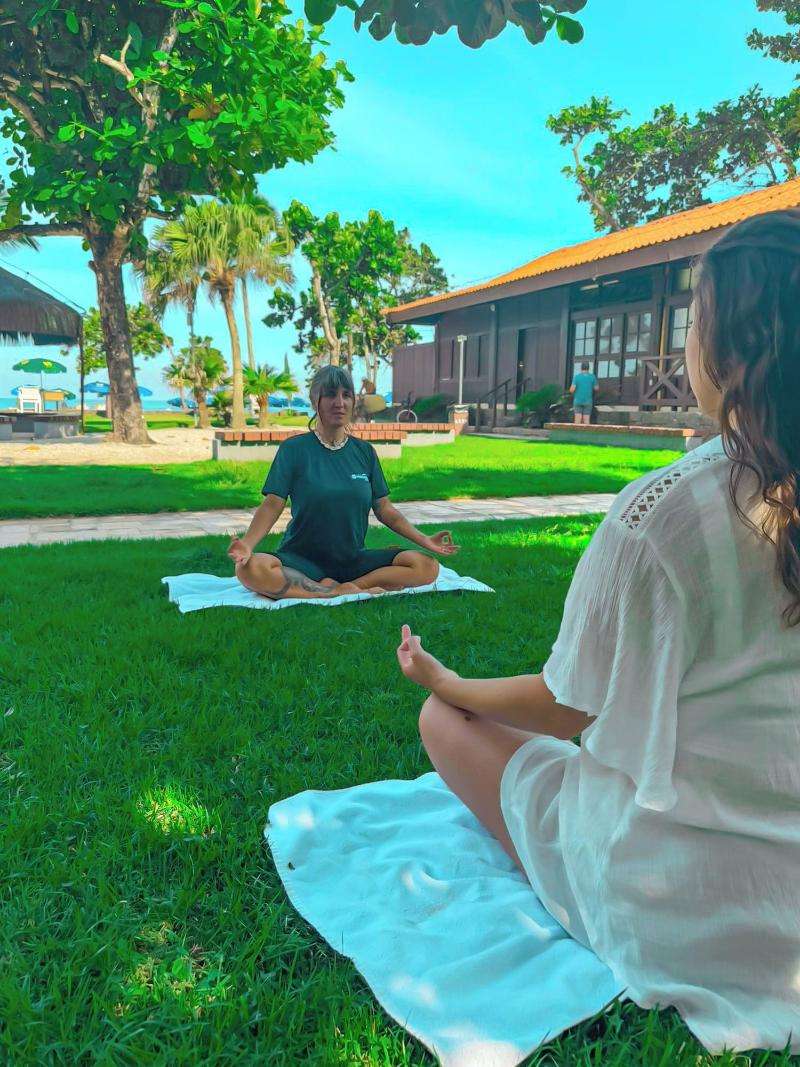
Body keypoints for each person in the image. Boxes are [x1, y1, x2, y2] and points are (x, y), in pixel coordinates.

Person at [396, 210, 800, 1053]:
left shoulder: (666, 513)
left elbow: (567, 705)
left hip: (674, 901)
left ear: (728, 354)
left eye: (693, 322)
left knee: (445, 722)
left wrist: (446, 683)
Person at [228, 365, 458, 600]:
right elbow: (272, 505)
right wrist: (248, 544)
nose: (339, 403)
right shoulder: (294, 449)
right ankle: (330, 591)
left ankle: (352, 587)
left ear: (353, 401)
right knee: (249, 569)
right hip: (301, 560)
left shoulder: (364, 452)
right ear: (314, 400)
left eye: (346, 395)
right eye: (330, 395)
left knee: (426, 566)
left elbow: (385, 510)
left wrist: (425, 539)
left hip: (352, 560)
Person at [569, 360, 598, 425]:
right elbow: (596, 388)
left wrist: (575, 393)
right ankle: (586, 431)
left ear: (581, 368)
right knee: (586, 420)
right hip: (588, 401)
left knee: (577, 420)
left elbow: (572, 389)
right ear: (588, 368)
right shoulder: (592, 377)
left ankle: (577, 431)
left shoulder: (577, 377)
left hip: (578, 400)